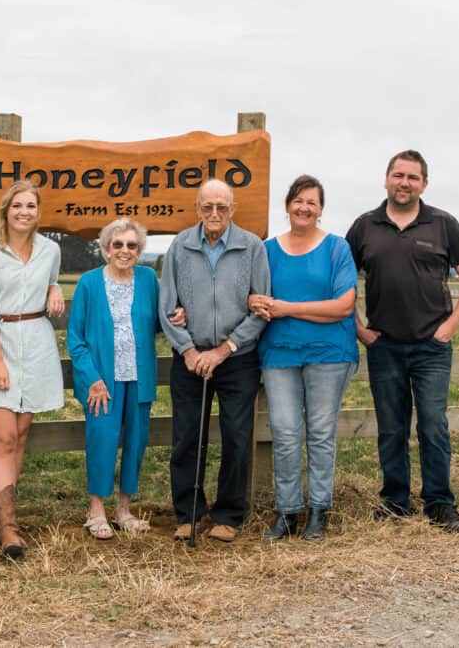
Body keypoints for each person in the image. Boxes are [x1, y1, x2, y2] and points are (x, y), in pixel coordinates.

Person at [345, 150, 459, 532]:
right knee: (391, 427)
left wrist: (450, 327)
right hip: (384, 345)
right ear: (386, 179)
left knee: (432, 425)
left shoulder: (443, 224)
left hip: (431, 347)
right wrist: (360, 330)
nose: (405, 182)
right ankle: (395, 501)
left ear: (424, 183)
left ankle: (440, 503)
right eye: (398, 175)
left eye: (413, 177)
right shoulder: (364, 227)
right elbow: (339, 283)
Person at [159, 178, 271, 543]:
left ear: (232, 209)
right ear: (197, 208)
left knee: (238, 437)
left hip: (237, 358)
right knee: (188, 437)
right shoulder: (180, 246)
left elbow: (262, 308)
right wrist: (189, 351)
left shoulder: (251, 247)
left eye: (222, 207)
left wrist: (224, 349)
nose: (214, 214)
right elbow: (166, 308)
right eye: (207, 207)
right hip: (190, 359)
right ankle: (188, 513)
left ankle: (228, 514)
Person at [248, 175, 358, 541]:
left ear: (321, 209)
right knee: (284, 430)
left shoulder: (336, 249)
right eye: (298, 200)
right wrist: (259, 303)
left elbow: (343, 306)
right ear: (287, 206)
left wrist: (288, 308)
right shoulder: (267, 250)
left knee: (321, 432)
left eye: (311, 202)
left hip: (329, 353)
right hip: (279, 352)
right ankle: (287, 510)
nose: (304, 207)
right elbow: (255, 295)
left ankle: (319, 509)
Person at [0, 179, 65, 559]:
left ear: (39, 212)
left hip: (35, 343)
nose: (25, 212)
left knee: (21, 435)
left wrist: (54, 288)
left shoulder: (50, 249)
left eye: (31, 206)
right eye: (17, 206)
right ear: (6, 210)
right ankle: (8, 527)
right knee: (3, 437)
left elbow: (50, 279)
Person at [67, 219, 185, 539]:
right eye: (118, 244)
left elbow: (161, 322)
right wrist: (92, 378)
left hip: (139, 378)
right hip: (102, 383)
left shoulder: (148, 279)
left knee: (135, 443)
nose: (124, 251)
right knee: (102, 441)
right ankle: (96, 512)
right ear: (106, 249)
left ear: (139, 251)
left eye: (132, 246)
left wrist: (178, 316)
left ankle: (123, 510)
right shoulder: (89, 284)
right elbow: (75, 339)